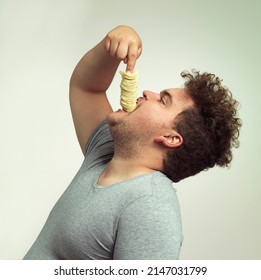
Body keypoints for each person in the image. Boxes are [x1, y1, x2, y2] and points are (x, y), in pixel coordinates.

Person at [23, 25, 241, 260]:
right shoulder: (106, 153)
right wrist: (113, 44)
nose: (148, 92)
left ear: (170, 138)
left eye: (162, 101)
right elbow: (87, 88)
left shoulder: (151, 208)